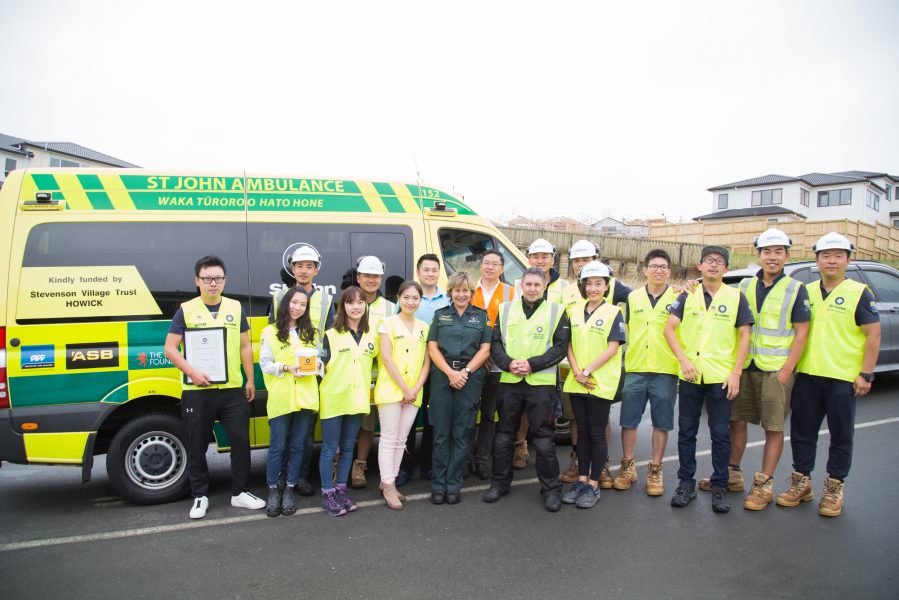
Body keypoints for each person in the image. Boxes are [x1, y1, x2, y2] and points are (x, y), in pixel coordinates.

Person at [696, 229, 810, 510]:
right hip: (744, 367)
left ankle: (764, 484)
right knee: (736, 421)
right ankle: (733, 474)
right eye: (767, 251)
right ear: (758, 255)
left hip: (775, 370)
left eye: (778, 252)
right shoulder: (745, 286)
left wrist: (788, 369)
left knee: (773, 427)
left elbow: (802, 332)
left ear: (787, 255)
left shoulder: (795, 289)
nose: (772, 257)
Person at [776, 232, 880, 517]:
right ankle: (801, 482)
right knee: (802, 433)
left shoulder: (859, 292)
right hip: (808, 375)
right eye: (826, 256)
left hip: (842, 379)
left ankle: (834, 487)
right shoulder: (806, 291)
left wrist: (866, 374)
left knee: (841, 435)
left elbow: (873, 335)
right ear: (816, 260)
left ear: (848, 260)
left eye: (838, 256)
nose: (831, 261)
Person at [163, 256, 266, 519]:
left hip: (232, 389)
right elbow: (170, 349)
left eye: (218, 278)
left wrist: (250, 379)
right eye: (207, 278)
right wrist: (192, 373)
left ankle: (240, 492)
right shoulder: (186, 310)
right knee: (197, 444)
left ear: (224, 281)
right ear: (197, 281)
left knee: (240, 441)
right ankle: (199, 495)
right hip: (197, 391)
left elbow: (245, 346)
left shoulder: (235, 307)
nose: (213, 283)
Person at [664, 245, 752, 514]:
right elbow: (669, 330)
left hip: (721, 377)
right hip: (691, 375)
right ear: (699, 266)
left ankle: (720, 485)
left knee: (720, 434)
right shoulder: (688, 294)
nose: (713, 265)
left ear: (726, 268)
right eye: (708, 260)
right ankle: (685, 484)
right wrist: (683, 360)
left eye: (719, 261)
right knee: (686, 432)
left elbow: (745, 335)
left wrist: (736, 372)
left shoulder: (736, 297)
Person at [484, 267, 570, 512]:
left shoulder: (557, 311)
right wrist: (508, 363)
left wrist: (532, 364)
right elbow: (495, 342)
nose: (532, 289)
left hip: (540, 384)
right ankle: (499, 483)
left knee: (543, 440)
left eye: (537, 285)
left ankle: (551, 491)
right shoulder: (505, 309)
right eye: (528, 284)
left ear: (544, 286)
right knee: (503, 436)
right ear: (521, 286)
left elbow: (560, 347)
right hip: (509, 381)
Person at [615, 249, 680, 496]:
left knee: (661, 423)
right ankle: (628, 466)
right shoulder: (633, 298)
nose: (658, 271)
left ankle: (655, 469)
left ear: (669, 271)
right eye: (654, 266)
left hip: (665, 368)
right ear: (645, 270)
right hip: (636, 368)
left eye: (663, 267)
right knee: (628, 420)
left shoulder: (679, 297)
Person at [560, 262, 625, 509]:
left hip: (599, 383)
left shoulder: (613, 312)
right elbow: (568, 345)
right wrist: (577, 371)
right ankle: (582, 480)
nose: (593, 288)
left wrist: (586, 371)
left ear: (607, 286)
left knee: (597, 434)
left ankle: (594, 484)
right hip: (577, 381)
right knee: (582, 433)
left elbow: (613, 348)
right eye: (589, 283)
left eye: (599, 283)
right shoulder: (574, 311)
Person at [270, 243, 334, 497]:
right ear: (292, 269)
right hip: (286, 374)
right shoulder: (279, 297)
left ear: (316, 270)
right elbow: (272, 334)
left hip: (311, 376)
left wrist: (322, 367)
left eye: (309, 266)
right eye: (299, 266)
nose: (304, 271)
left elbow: (329, 338)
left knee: (305, 432)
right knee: (283, 430)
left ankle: (300, 476)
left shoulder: (326, 300)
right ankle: (282, 476)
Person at [427, 272, 492, 504]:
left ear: (472, 293)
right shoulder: (440, 315)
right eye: (457, 290)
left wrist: (464, 373)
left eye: (465, 291)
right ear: (450, 292)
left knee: (462, 433)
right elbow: (432, 347)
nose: (461, 295)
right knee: (441, 434)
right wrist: (450, 373)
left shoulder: (481, 316)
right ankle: (438, 485)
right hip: (443, 377)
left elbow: (485, 349)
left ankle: (453, 484)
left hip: (470, 378)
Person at [318, 287, 379, 516]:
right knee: (329, 448)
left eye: (360, 302)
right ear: (342, 306)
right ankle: (327, 493)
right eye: (351, 302)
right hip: (334, 399)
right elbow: (319, 369)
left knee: (347, 448)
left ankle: (341, 489)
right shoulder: (330, 335)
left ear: (365, 306)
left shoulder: (372, 336)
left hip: (357, 400)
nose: (356, 307)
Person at [259, 288, 319, 517]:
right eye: (294, 302)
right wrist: (286, 367)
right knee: (277, 446)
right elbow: (265, 364)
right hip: (281, 397)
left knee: (298, 446)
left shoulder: (311, 332)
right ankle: (274, 490)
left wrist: (316, 367)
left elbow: (320, 361)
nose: (298, 307)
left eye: (303, 304)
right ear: (286, 303)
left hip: (305, 396)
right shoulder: (270, 332)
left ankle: (290, 489)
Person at [510, 239, 569, 472]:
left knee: (548, 410)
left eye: (545, 256)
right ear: (528, 259)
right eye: (535, 256)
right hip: (524, 359)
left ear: (553, 259)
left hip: (552, 360)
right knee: (523, 410)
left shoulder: (564, 287)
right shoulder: (518, 284)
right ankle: (521, 445)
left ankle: (544, 450)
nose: (540, 260)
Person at [375, 281, 431, 509]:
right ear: (398, 298)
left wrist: (415, 389)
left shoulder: (424, 327)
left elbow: (427, 362)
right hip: (391, 389)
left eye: (415, 298)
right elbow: (387, 359)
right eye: (406, 297)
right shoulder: (387, 324)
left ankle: (390, 481)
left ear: (420, 300)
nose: (410, 302)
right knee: (389, 438)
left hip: (414, 392)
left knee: (402, 439)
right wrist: (405, 389)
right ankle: (388, 485)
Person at [396, 254, 450, 487]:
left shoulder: (447, 300)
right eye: (426, 269)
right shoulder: (409, 298)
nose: (430, 273)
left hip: (437, 369)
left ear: (439, 273)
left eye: (434, 270)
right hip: (410, 369)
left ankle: (428, 464)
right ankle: (404, 467)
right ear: (418, 272)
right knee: (407, 420)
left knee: (432, 419)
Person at [469, 249, 516, 480]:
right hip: (472, 361)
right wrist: (481, 355)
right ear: (480, 265)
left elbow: (513, 328)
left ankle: (482, 460)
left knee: (489, 414)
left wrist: (493, 354)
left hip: (497, 363)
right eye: (486, 262)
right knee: (468, 413)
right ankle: (464, 459)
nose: (489, 267)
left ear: (502, 268)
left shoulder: (511, 292)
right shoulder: (469, 289)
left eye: (495, 264)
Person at [351, 255, 396, 489]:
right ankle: (340, 465)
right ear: (358, 277)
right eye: (367, 275)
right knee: (346, 423)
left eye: (376, 276)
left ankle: (359, 466)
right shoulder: (348, 301)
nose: (371, 280)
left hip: (377, 378)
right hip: (350, 376)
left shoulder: (390, 307)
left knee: (367, 425)